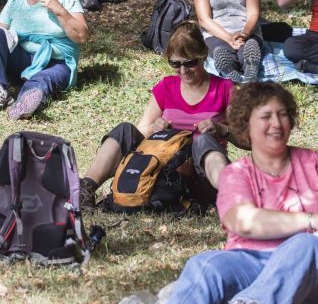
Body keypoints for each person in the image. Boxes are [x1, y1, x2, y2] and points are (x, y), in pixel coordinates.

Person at [116, 82, 318, 304]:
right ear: (245, 126)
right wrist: (312, 219)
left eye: (283, 115)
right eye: (265, 117)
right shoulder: (236, 174)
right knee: (207, 263)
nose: (276, 124)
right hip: (253, 265)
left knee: (305, 245)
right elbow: (244, 221)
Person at [79, 21, 238, 210]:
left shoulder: (225, 88)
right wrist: (155, 128)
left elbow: (248, 140)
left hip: (201, 176)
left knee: (203, 140)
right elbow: (142, 129)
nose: (183, 71)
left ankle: (234, 197)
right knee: (124, 131)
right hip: (164, 171)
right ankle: (86, 188)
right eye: (175, 64)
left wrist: (222, 129)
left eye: (190, 63)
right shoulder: (166, 87)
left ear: (204, 55)